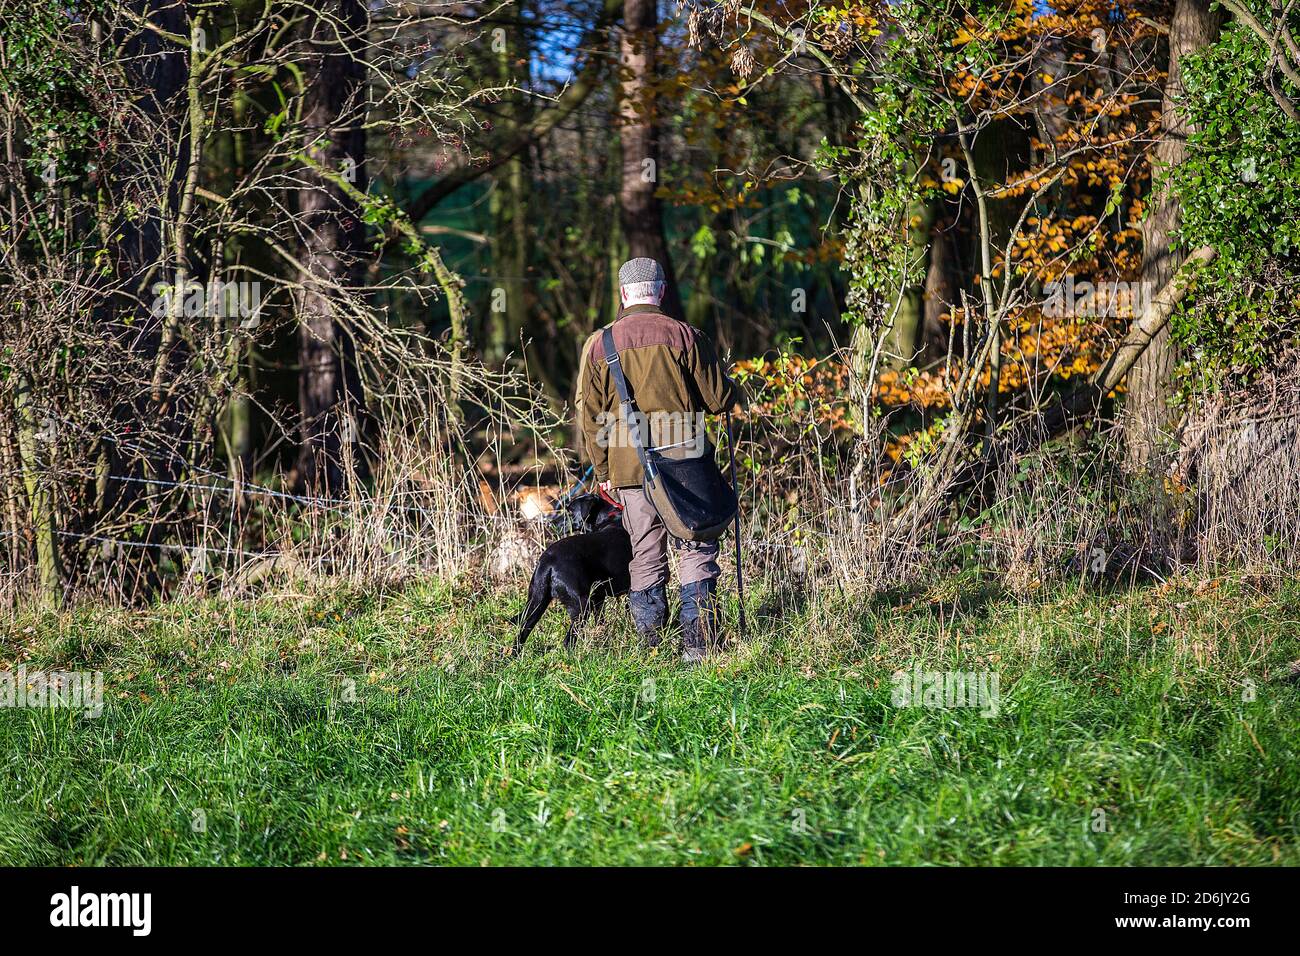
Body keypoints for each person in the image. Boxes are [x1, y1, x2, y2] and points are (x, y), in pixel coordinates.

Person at [575, 257, 741, 663]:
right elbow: (720, 400)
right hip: (685, 459)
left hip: (628, 464)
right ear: (661, 291)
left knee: (645, 549)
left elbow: (588, 413)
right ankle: (698, 647)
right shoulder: (685, 336)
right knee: (695, 544)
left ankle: (652, 648)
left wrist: (602, 471)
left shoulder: (600, 344)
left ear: (624, 294)